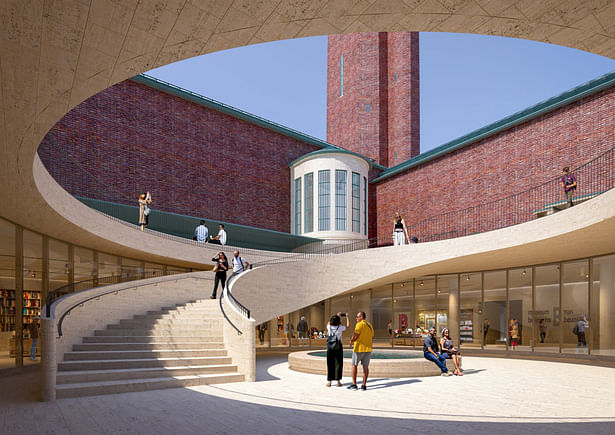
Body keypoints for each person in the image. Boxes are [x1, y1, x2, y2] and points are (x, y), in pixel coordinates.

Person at [348, 311, 374, 390]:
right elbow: (372, 335)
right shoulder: (369, 325)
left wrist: (351, 341)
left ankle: (354, 384)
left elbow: (355, 335)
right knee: (365, 367)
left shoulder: (359, 324)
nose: (356, 318)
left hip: (359, 348)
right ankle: (364, 385)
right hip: (368, 349)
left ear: (361, 317)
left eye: (357, 316)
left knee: (354, 365)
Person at [326, 313, 349, 387]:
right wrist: (347, 317)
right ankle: (338, 381)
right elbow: (348, 326)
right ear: (338, 322)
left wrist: (337, 316)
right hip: (338, 346)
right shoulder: (340, 328)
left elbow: (329, 322)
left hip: (330, 346)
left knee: (330, 363)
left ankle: (329, 382)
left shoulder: (329, 327)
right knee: (338, 363)